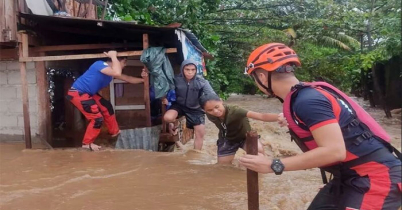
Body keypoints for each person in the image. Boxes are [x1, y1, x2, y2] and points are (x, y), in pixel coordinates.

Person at [239, 43, 401, 209]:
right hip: (349, 175)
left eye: (254, 78)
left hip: (376, 176)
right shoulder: (302, 98)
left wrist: (273, 165)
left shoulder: (307, 101)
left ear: (262, 76)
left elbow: (334, 151)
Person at [67, 50, 147, 151]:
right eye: (124, 63)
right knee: (97, 118)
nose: (124, 66)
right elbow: (117, 72)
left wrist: (144, 80)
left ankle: (115, 132)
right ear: (118, 61)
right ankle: (87, 143)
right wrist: (114, 56)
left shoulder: (110, 72)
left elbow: (128, 78)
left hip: (88, 93)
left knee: (107, 107)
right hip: (78, 93)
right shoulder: (100, 64)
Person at [199, 93, 286, 164]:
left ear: (221, 101)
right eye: (210, 110)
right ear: (205, 110)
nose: (215, 111)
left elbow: (261, 116)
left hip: (246, 137)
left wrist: (281, 116)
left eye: (217, 107)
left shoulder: (235, 111)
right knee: (223, 167)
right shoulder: (208, 114)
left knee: (258, 154)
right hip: (227, 139)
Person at [163, 59, 215, 150]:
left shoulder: (202, 82)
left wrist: (212, 105)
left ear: (196, 70)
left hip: (196, 108)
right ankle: (173, 126)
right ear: (182, 69)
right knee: (167, 118)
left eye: (192, 70)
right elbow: (164, 88)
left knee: (200, 133)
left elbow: (211, 95)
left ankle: (196, 155)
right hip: (179, 106)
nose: (190, 72)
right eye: (187, 69)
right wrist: (165, 99)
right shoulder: (175, 79)